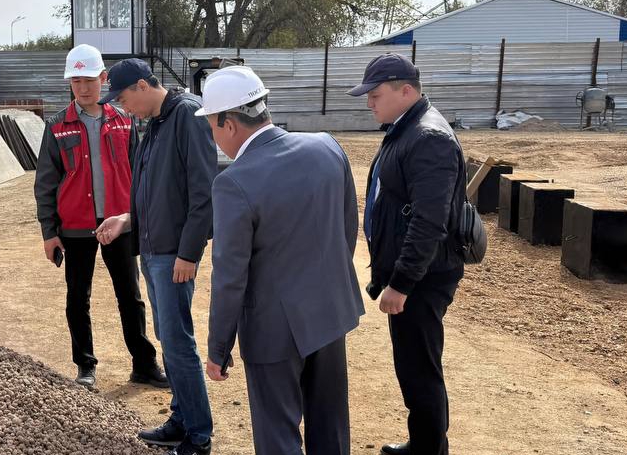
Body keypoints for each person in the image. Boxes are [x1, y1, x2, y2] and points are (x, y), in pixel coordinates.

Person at [198, 66, 364, 455]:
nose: (213, 138)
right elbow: (346, 227)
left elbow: (230, 277)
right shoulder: (326, 147)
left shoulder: (234, 181)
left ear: (228, 124)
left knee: (278, 435)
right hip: (329, 313)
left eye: (211, 127)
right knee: (330, 426)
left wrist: (219, 348)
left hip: (273, 330)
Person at [95, 58, 217, 455]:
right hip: (153, 248)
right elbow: (161, 192)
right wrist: (127, 219)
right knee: (168, 337)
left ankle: (198, 435)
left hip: (173, 254)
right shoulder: (157, 121)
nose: (123, 106)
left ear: (143, 86)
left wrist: (189, 253)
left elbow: (204, 192)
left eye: (124, 98)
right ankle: (181, 418)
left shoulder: (187, 116)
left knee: (178, 342)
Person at [348, 53, 466, 455]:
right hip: (415, 275)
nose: (369, 102)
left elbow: (429, 222)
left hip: (423, 279)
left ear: (406, 90)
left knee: (420, 370)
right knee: (413, 366)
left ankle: (429, 449)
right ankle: (423, 442)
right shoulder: (406, 128)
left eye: (375, 94)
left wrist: (401, 283)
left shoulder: (428, 137)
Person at [33, 44, 168, 392]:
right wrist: (49, 232)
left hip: (119, 224)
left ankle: (144, 365)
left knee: (131, 296)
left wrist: (135, 218)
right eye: (76, 81)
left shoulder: (125, 119)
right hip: (75, 228)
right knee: (78, 298)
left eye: (89, 80)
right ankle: (85, 365)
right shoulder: (57, 127)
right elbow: (45, 184)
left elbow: (140, 171)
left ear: (103, 78)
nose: (83, 88)